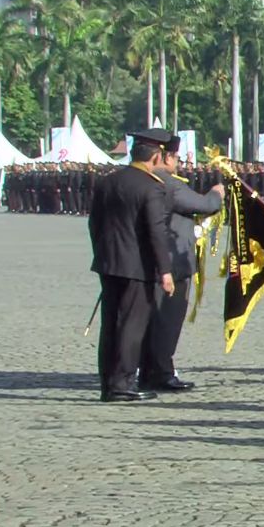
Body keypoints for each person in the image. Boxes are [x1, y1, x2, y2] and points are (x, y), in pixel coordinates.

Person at [87, 128, 176, 402]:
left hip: (108, 263)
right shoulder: (151, 187)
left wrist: (103, 253)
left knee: (110, 325)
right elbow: (156, 232)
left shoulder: (108, 182)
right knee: (131, 326)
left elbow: (94, 223)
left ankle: (108, 383)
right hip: (137, 267)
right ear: (156, 157)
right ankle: (123, 383)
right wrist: (165, 270)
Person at [139, 139, 223, 392]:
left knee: (150, 321)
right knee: (167, 320)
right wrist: (216, 193)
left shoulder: (141, 180)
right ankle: (160, 372)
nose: (178, 163)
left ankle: (148, 369)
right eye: (176, 158)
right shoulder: (169, 183)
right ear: (165, 157)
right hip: (171, 262)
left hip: (146, 262)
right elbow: (205, 205)